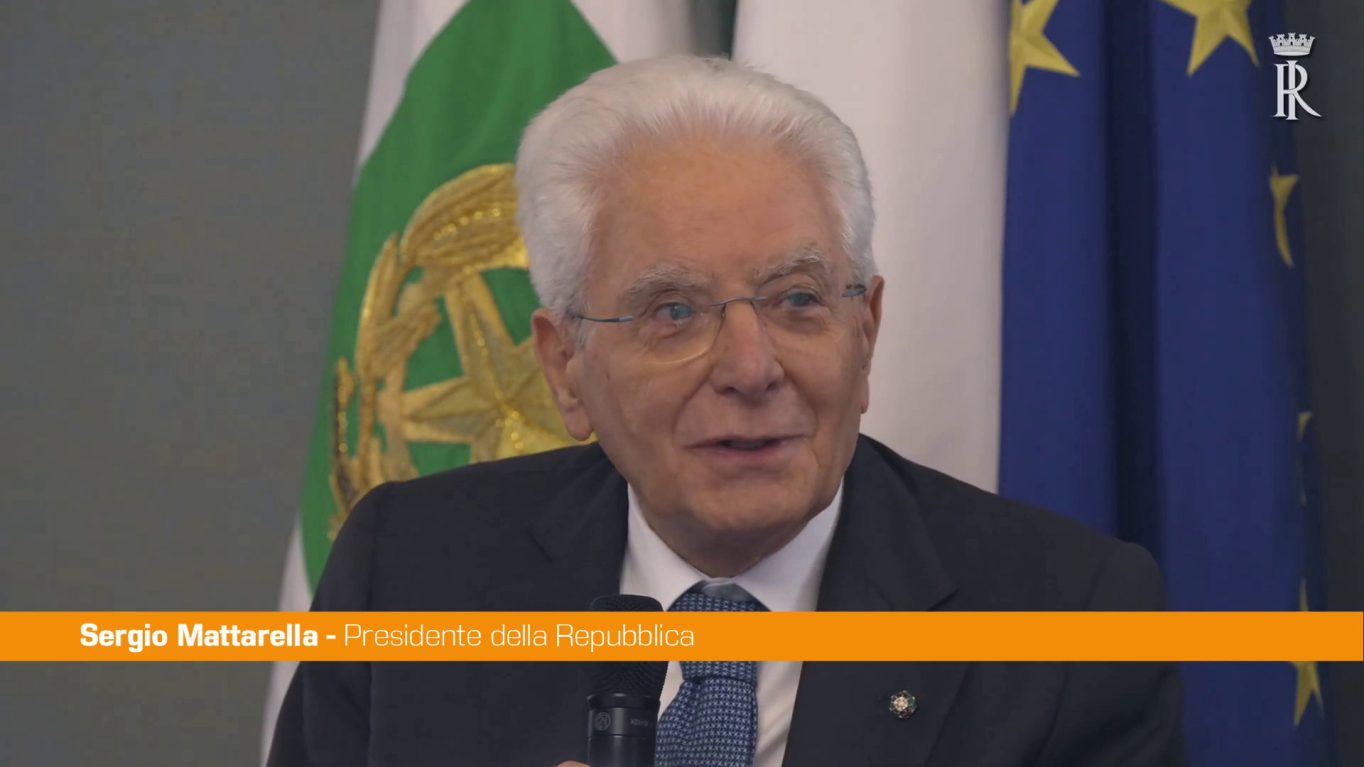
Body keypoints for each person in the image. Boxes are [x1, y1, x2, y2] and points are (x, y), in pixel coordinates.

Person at [268, 56, 1185, 767]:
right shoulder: (410, 571)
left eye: (798, 300)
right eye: (673, 312)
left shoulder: (1072, 620)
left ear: (865, 332)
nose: (752, 367)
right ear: (566, 367)